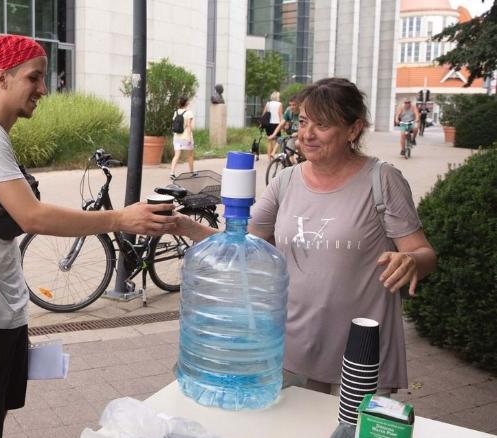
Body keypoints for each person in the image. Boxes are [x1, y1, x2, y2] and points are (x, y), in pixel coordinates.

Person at [0, 34, 177, 438]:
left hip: (1, 306)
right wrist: (120, 217)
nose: (44, 89)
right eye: (35, 77)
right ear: (2, 77)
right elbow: (32, 217)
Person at [173, 78, 437, 396]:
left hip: (360, 351)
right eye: (303, 122)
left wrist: (410, 260)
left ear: (353, 130)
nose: (306, 134)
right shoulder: (286, 181)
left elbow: (424, 253)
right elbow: (242, 246)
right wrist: (183, 226)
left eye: (322, 124)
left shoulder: (382, 181)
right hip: (294, 344)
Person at [269, 95, 301, 163]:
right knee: (287, 154)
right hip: (292, 136)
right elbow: (281, 124)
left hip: (302, 136)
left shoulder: (303, 112)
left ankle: (302, 160)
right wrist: (274, 134)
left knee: (299, 147)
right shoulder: (289, 111)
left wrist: (298, 133)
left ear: (299, 104)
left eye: (294, 105)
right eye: (290, 105)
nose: (292, 107)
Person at [170, 95, 195, 179]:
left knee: (176, 155)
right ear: (187, 102)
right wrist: (189, 138)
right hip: (186, 138)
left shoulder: (176, 112)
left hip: (176, 137)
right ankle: (192, 172)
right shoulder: (189, 112)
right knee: (190, 155)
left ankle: (172, 173)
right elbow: (189, 126)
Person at [263, 91, 283, 159]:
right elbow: (280, 115)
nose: (279, 98)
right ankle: (274, 155)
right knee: (277, 140)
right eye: (279, 96)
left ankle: (269, 158)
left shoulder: (268, 103)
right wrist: (282, 124)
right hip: (276, 124)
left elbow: (264, 114)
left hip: (268, 124)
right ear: (277, 97)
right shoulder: (279, 104)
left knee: (270, 141)